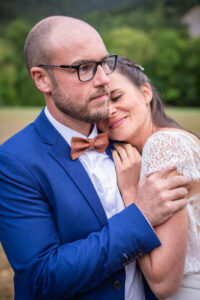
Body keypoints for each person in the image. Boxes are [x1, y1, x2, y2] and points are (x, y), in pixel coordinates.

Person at [0, 17, 188, 300]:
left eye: (103, 63)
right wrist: (141, 215)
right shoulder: (14, 162)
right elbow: (43, 276)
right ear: (42, 79)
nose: (103, 79)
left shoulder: (128, 138)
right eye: (84, 68)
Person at [98, 56, 200, 300]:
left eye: (117, 96)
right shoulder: (173, 138)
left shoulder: (163, 145)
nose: (110, 110)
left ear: (145, 93)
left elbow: (163, 281)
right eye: (101, 105)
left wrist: (131, 191)